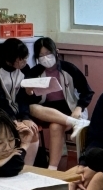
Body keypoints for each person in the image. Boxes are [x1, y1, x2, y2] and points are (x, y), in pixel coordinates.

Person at [23, 37, 92, 170]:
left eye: (48, 53)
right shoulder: (34, 72)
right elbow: (27, 100)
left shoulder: (69, 68)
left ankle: (52, 169)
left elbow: (87, 92)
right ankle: (75, 123)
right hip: (46, 110)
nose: (45, 58)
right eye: (41, 55)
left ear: (56, 52)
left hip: (69, 108)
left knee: (55, 126)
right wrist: (29, 92)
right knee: (32, 108)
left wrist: (79, 108)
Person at [0, 38, 42, 165]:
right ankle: (13, 166)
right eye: (21, 59)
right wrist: (13, 120)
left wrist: (25, 117)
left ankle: (27, 168)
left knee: (32, 132)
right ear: (10, 59)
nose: (25, 62)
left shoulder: (24, 69)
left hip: (15, 111)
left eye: (26, 58)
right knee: (18, 132)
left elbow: (22, 97)